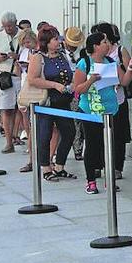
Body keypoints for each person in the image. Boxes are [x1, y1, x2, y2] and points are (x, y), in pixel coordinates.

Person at [72, 31, 132, 194]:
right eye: (104, 42)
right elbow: (77, 89)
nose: (108, 44)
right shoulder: (84, 63)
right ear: (96, 46)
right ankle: (91, 180)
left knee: (110, 145)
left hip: (110, 110)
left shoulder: (111, 62)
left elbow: (123, 81)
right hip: (90, 110)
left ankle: (110, 179)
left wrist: (130, 69)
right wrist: (91, 80)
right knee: (93, 145)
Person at [27, 27, 78, 180]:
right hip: (47, 102)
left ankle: (59, 165)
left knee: (69, 132)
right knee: (45, 135)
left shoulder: (63, 55)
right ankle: (45, 168)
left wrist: (73, 84)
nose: (59, 42)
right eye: (55, 39)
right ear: (46, 42)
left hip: (63, 101)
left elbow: (71, 73)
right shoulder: (38, 57)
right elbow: (33, 79)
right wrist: (54, 85)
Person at [90, 22, 132, 180]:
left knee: (117, 135)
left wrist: (119, 75)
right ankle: (98, 164)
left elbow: (131, 73)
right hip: (97, 99)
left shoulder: (120, 50)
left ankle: (116, 166)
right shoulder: (92, 53)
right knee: (97, 135)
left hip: (118, 98)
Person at [0, 12, 23, 153]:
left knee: (23, 109)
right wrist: (0, 59)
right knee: (6, 109)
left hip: (20, 76)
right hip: (4, 77)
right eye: (5, 26)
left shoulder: (23, 35)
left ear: (15, 23)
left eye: (10, 26)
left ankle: (22, 136)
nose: (8, 28)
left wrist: (18, 56)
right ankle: (9, 142)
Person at [15, 29, 42, 173]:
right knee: (29, 123)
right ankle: (31, 159)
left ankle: (46, 159)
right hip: (26, 86)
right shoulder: (25, 52)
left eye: (28, 42)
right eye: (24, 43)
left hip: (38, 89)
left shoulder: (40, 52)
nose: (26, 45)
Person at [63, 27, 86, 159]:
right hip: (64, 89)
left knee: (78, 120)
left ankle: (78, 149)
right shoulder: (60, 52)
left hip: (79, 88)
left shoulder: (82, 53)